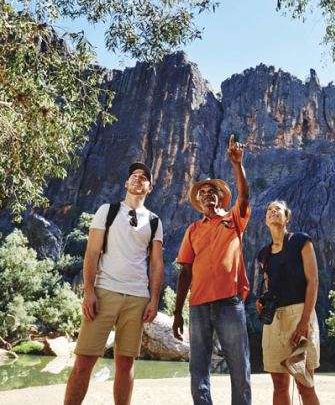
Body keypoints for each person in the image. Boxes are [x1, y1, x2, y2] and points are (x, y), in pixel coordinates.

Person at [64, 162, 164, 405]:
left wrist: (153, 299)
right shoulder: (106, 211)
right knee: (84, 361)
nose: (138, 178)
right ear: (126, 184)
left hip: (137, 298)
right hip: (104, 292)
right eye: (134, 176)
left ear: (149, 188)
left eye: (144, 177)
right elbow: (92, 253)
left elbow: (157, 264)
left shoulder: (153, 221)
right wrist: (89, 292)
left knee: (125, 363)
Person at [172, 135, 252, 405]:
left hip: (230, 303)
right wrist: (177, 314)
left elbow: (244, 196)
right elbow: (185, 271)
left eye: (212, 192)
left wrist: (237, 164)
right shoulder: (192, 230)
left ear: (220, 197)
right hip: (197, 307)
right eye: (202, 193)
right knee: (198, 369)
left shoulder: (233, 219)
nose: (207, 195)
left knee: (239, 367)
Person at [255, 200, 320, 405]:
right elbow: (270, 288)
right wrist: (263, 301)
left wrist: (304, 321)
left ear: (287, 218)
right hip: (274, 321)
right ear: (266, 220)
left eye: (278, 210)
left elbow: (313, 281)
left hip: (300, 314)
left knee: (305, 385)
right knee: (280, 386)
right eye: (269, 210)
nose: (273, 212)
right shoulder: (263, 254)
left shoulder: (301, 241)